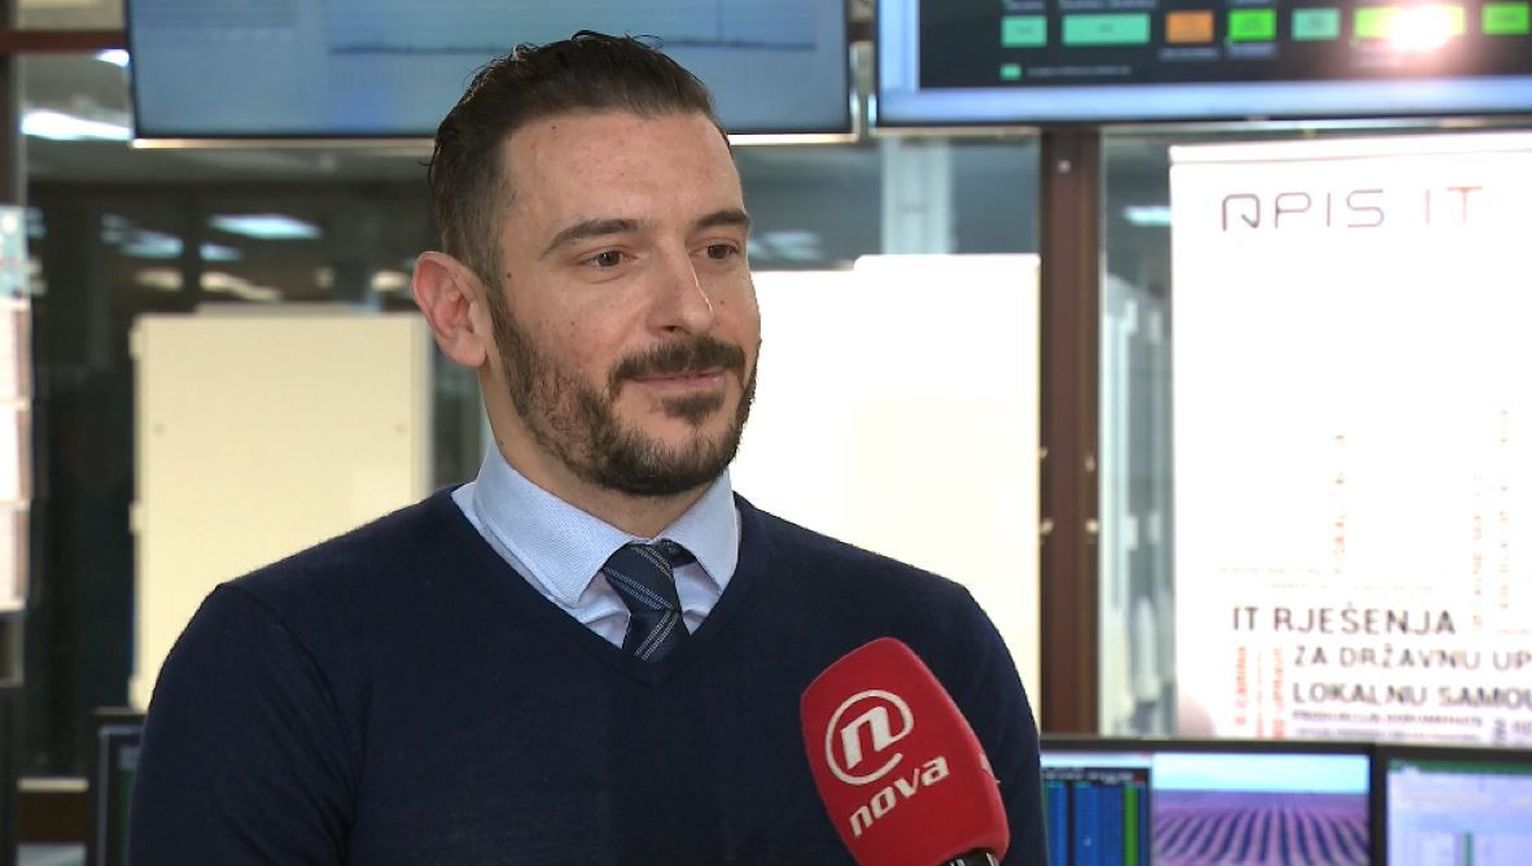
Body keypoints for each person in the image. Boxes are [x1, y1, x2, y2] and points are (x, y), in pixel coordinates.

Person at [129, 32, 1046, 864]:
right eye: (609, 258)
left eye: (718, 249)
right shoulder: (279, 663)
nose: (692, 310)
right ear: (461, 312)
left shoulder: (924, 649)